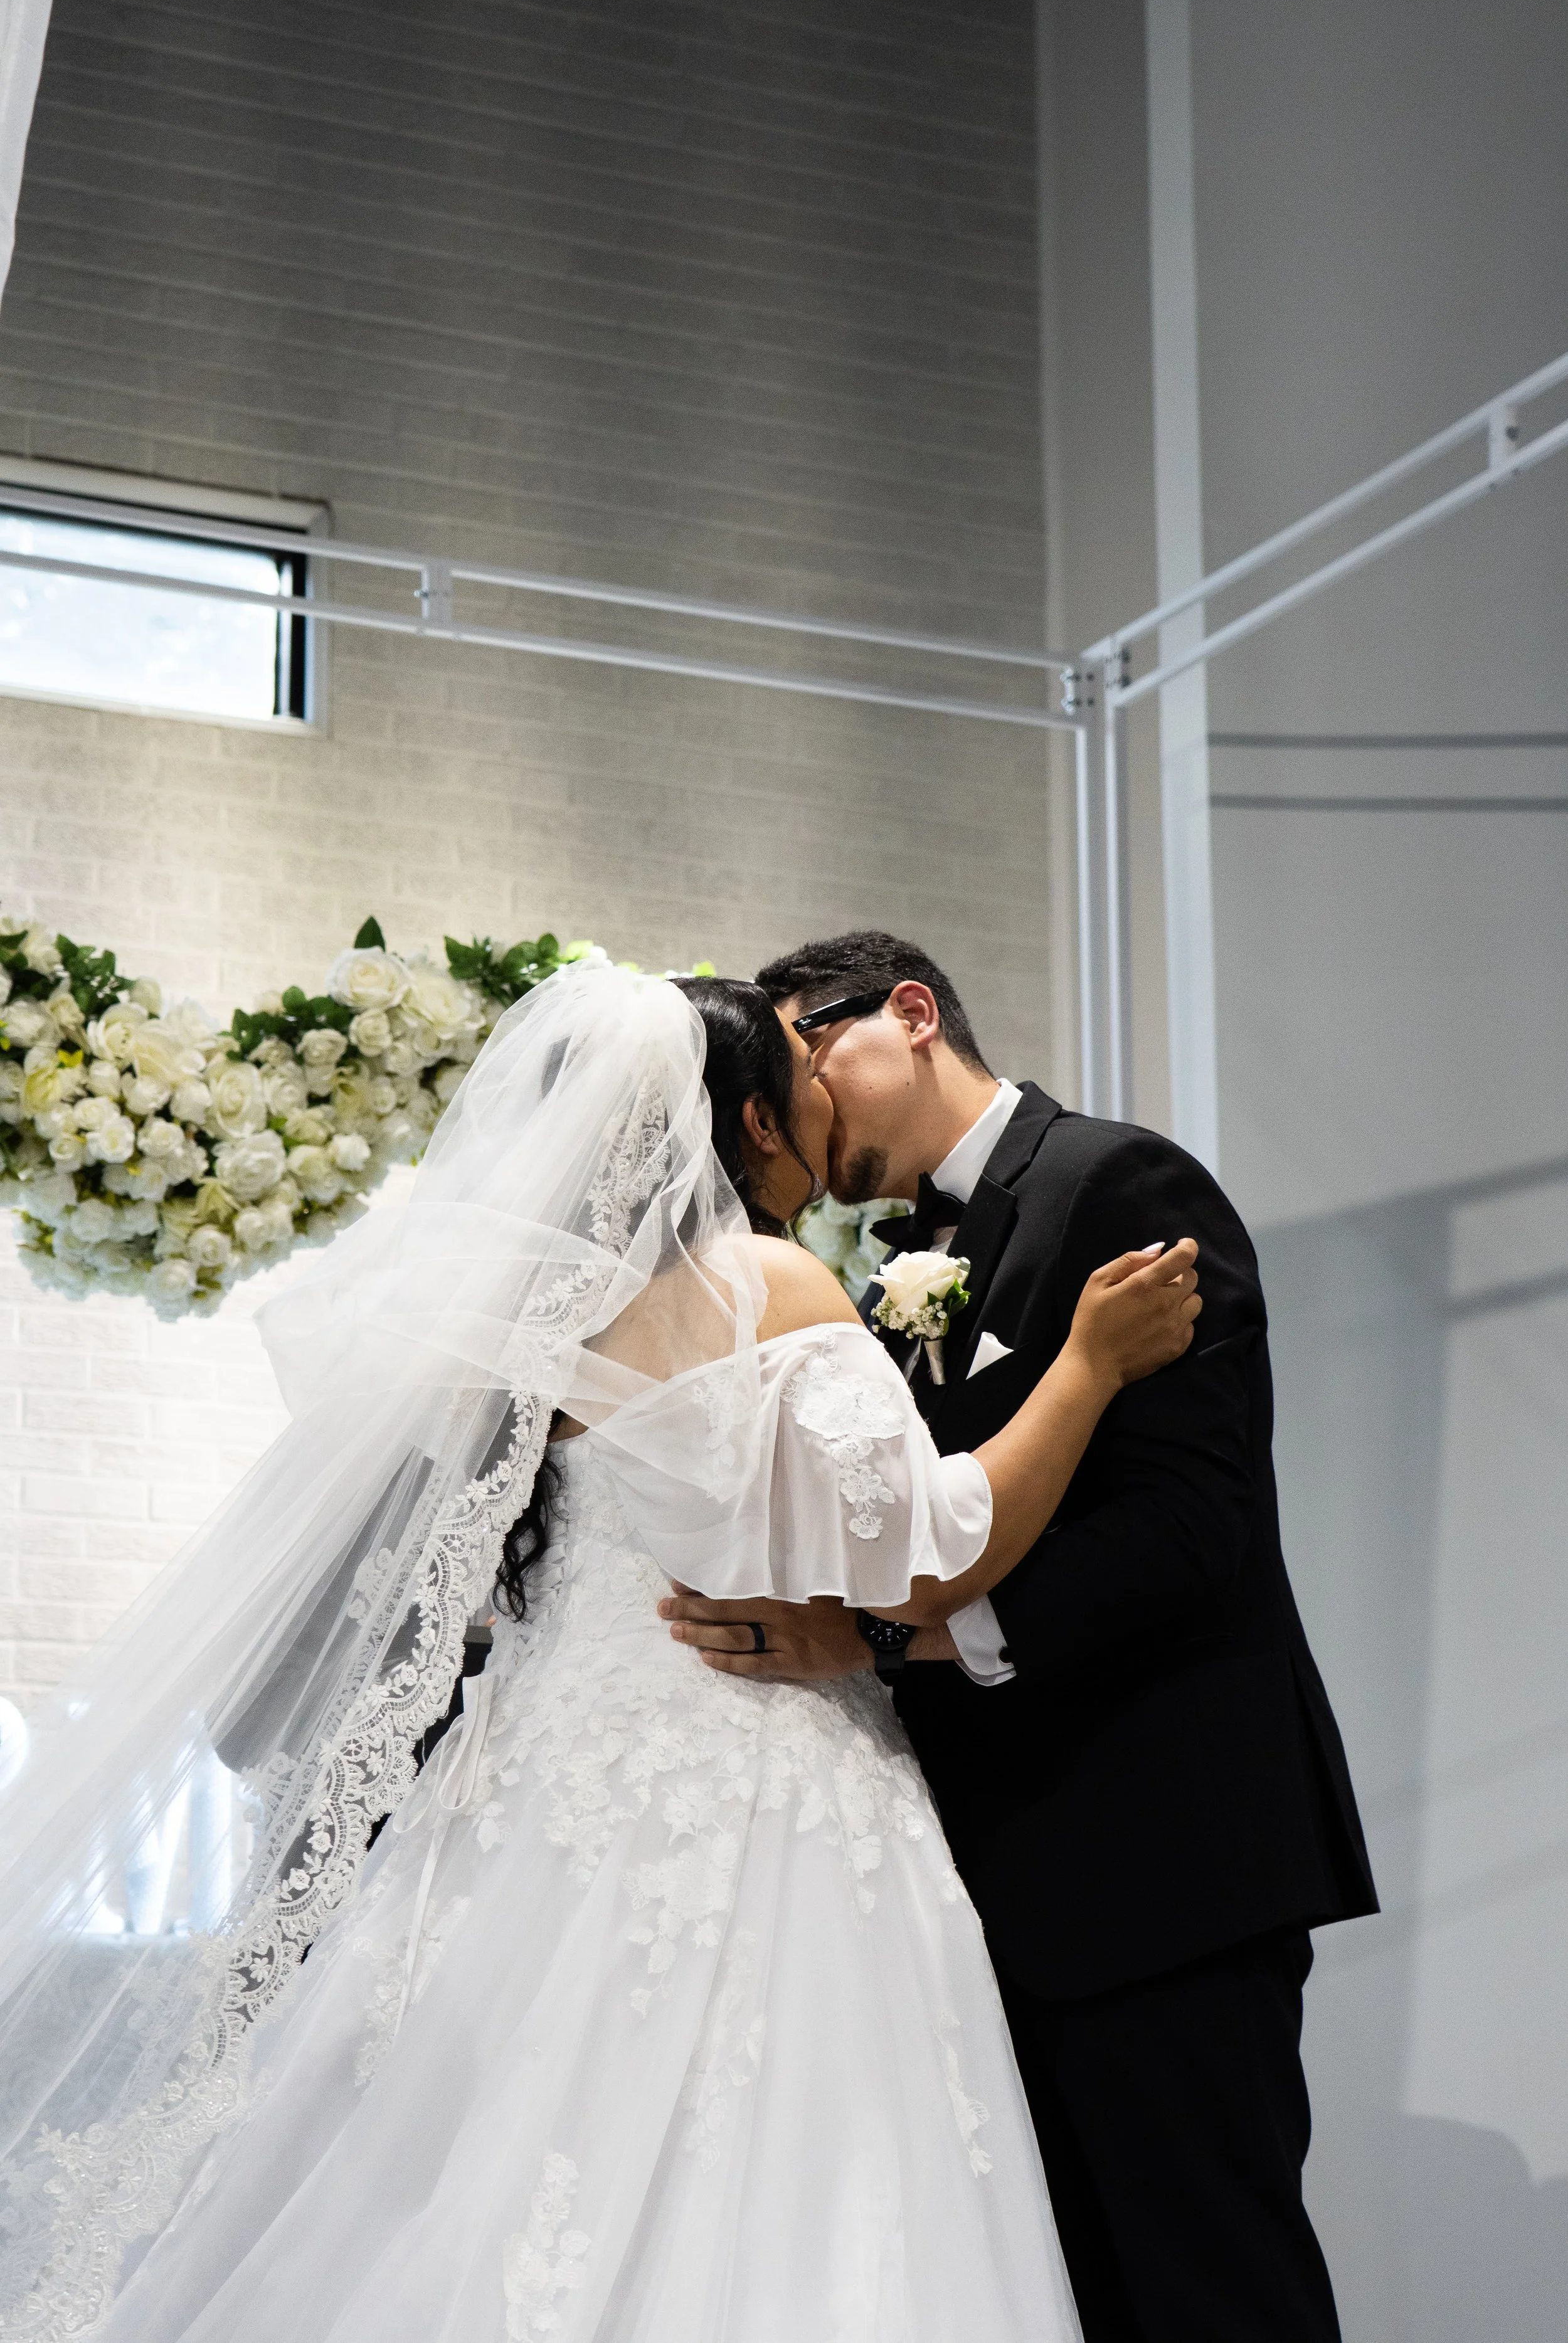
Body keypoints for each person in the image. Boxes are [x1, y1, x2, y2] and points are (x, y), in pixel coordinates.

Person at [0, 963, 1198, 2343]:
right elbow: (935, 1551)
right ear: (749, 1124)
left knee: (484, 2162)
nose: (822, 1107)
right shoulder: (766, 1282)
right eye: (802, 1086)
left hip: (533, 1786)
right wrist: (1088, 1370)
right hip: (750, 1777)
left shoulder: (532, 1327)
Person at [662, 931, 1379, 2343]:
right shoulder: (884, 1265)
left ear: (908, 1014)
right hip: (991, 1888)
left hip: (1153, 1861)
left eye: (809, 1054)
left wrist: (879, 1648)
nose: (802, 1101)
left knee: (1203, 2283)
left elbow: (1188, 1535)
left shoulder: (1119, 1181)